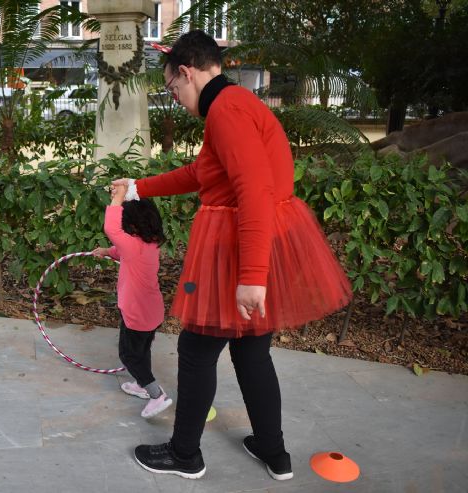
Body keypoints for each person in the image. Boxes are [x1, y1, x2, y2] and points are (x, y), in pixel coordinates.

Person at [112, 30, 352, 480]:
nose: (177, 98)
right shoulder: (237, 105)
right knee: (251, 350)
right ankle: (273, 451)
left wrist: (252, 275)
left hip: (237, 246)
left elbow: (254, 194)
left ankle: (185, 455)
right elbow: (204, 172)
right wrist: (138, 187)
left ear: (187, 72)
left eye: (172, 88)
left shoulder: (227, 111)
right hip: (250, 243)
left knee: (197, 348)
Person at [92, 182, 173, 419]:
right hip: (153, 311)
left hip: (136, 312)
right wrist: (107, 251)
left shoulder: (131, 243)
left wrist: (117, 200)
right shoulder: (151, 243)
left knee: (128, 355)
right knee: (142, 350)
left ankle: (157, 394)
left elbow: (112, 230)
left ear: (131, 225)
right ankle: (141, 385)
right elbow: (122, 249)